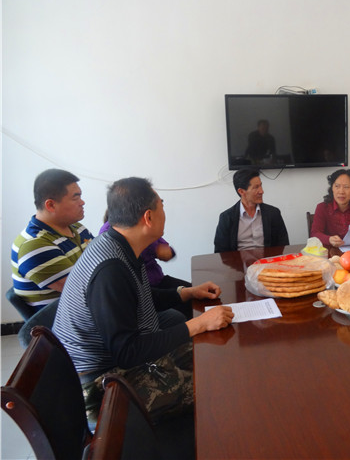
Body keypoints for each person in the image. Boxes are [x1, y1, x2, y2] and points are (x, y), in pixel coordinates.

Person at [53, 177, 234, 401]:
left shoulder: (116, 243)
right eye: (162, 205)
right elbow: (128, 352)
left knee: (205, 352)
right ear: (148, 217)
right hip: (101, 382)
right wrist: (199, 323)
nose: (165, 212)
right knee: (214, 380)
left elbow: (137, 297)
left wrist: (186, 292)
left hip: (120, 355)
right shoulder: (111, 270)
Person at [11, 168, 93, 347]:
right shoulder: (35, 245)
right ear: (51, 205)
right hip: (69, 330)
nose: (82, 202)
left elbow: (102, 266)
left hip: (87, 315)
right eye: (76, 197)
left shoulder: (77, 228)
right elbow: (86, 291)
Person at [100, 213, 193, 318]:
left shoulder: (141, 222)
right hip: (143, 292)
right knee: (181, 313)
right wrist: (154, 249)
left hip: (159, 281)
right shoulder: (110, 233)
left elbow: (166, 250)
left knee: (196, 294)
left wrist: (165, 251)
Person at [214, 169, 289, 252]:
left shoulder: (273, 213)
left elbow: (283, 245)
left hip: (267, 259)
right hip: (238, 260)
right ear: (241, 191)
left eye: (261, 185)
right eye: (256, 187)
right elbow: (220, 252)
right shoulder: (226, 218)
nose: (261, 191)